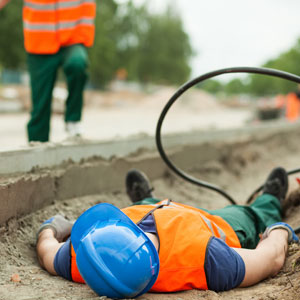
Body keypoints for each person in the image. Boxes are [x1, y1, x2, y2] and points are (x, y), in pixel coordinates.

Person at [36, 167, 299, 299]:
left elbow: (48, 250)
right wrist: (279, 231)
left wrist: (52, 227)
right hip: (213, 224)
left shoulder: (87, 260)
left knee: (146, 207)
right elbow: (270, 259)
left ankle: (148, 199)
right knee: (250, 215)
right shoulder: (209, 260)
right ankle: (270, 199)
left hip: (154, 210)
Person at [0, 0, 96, 142]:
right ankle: (37, 145)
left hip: (72, 38)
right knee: (40, 105)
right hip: (40, 42)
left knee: (77, 64)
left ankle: (73, 120)